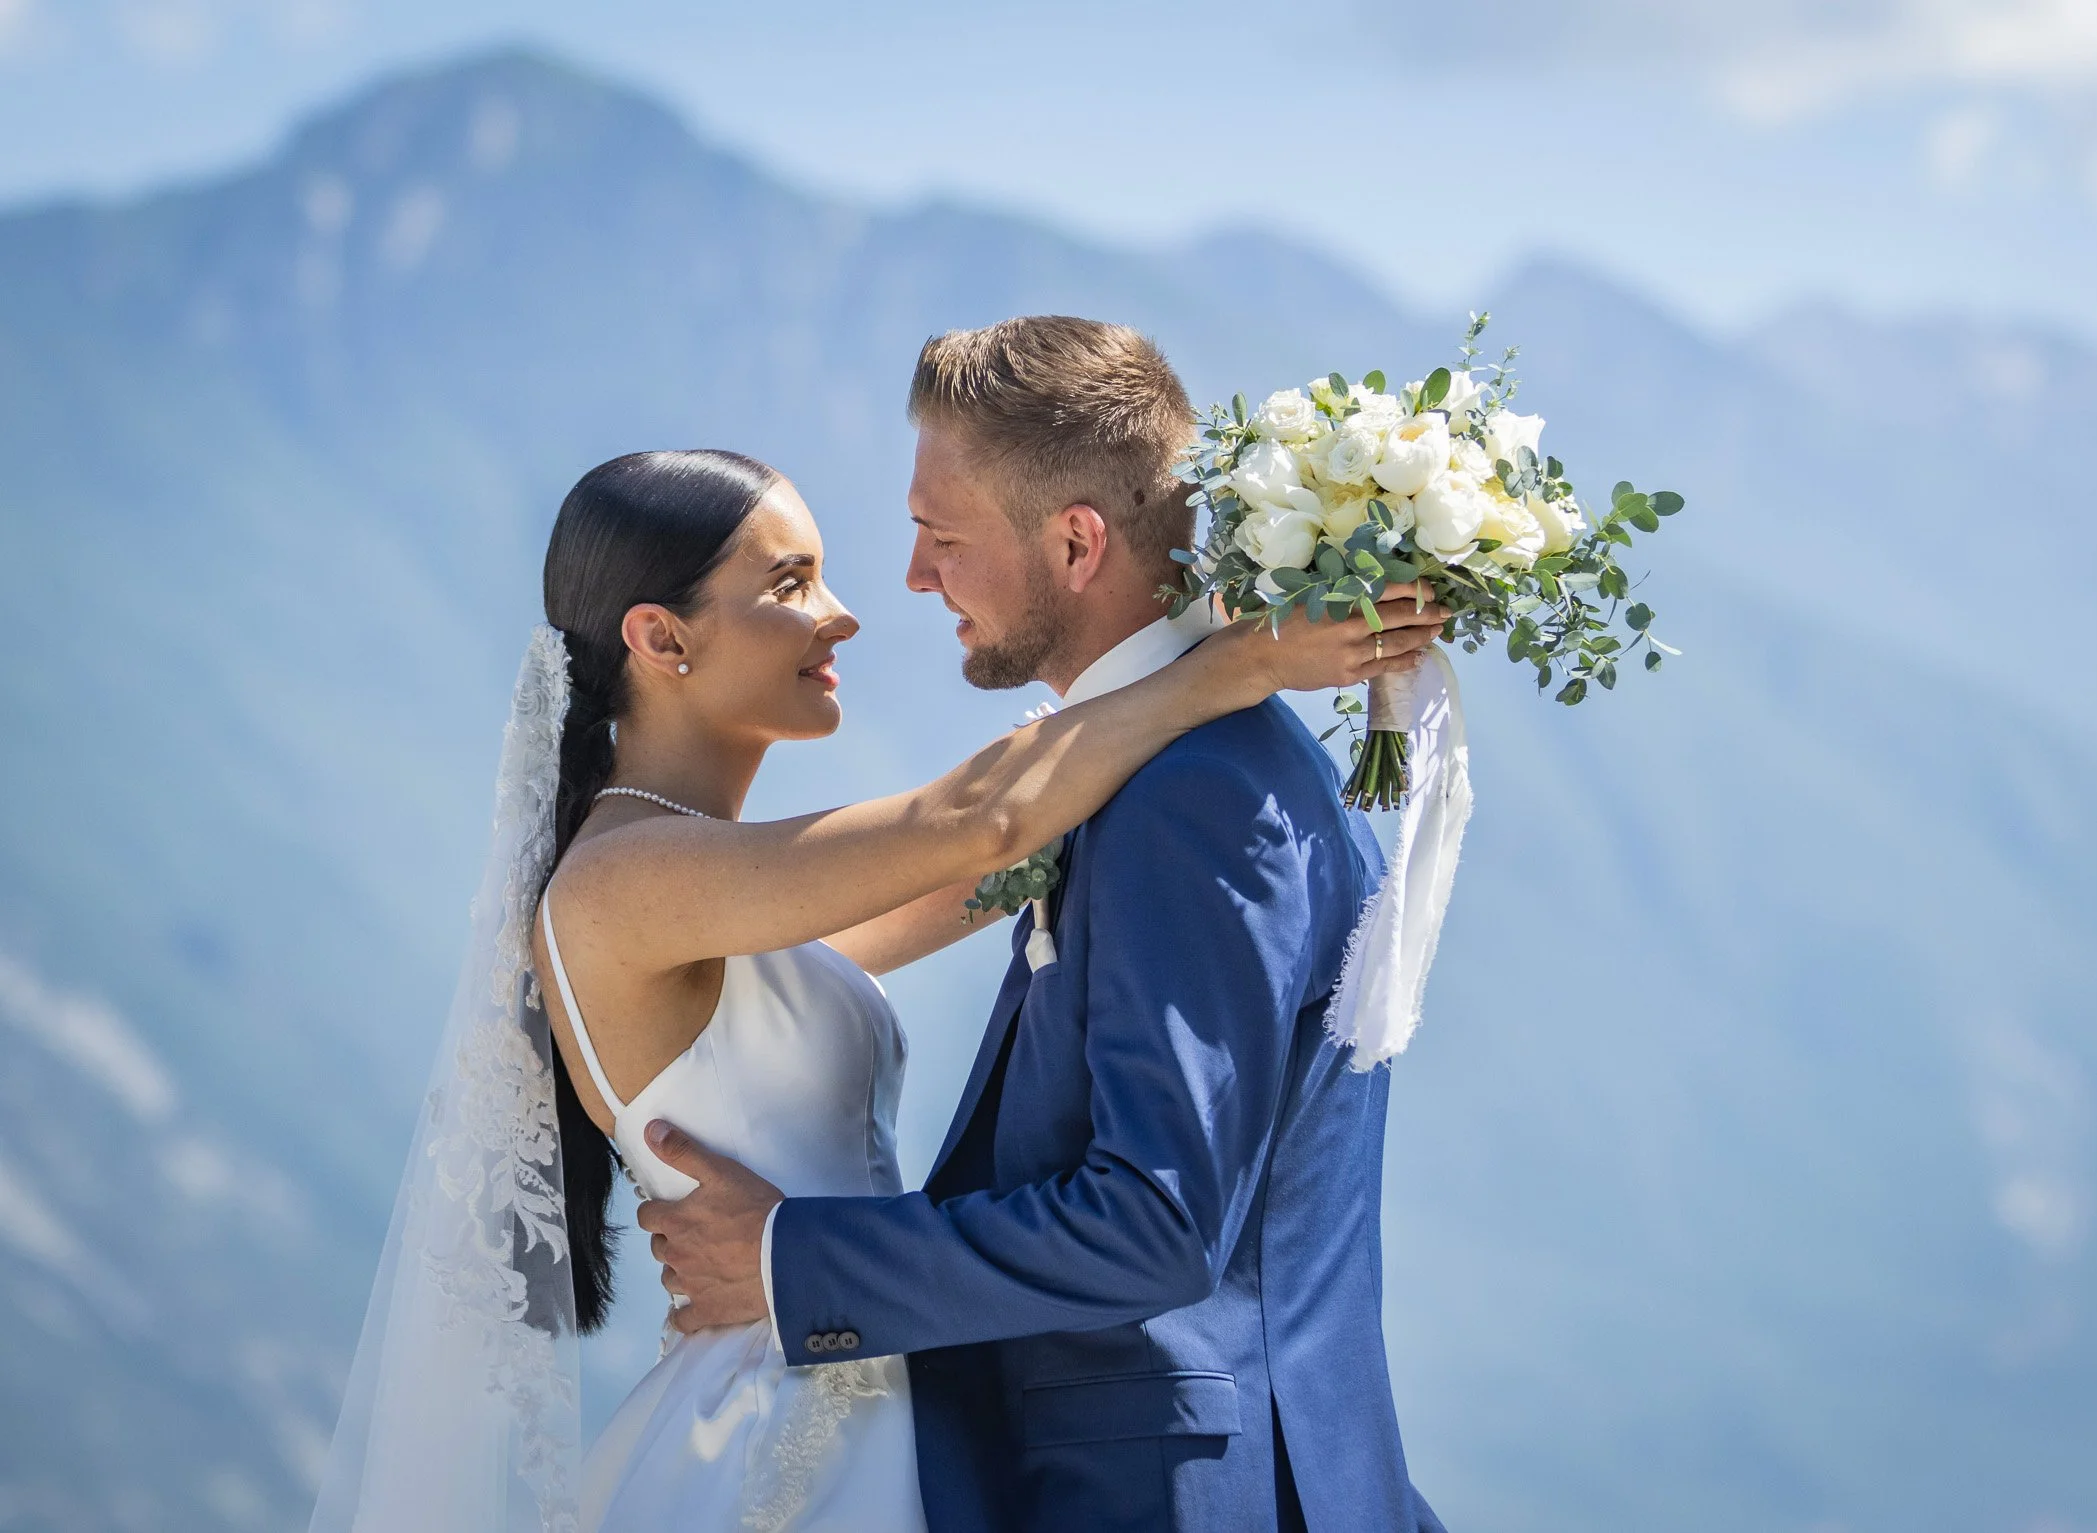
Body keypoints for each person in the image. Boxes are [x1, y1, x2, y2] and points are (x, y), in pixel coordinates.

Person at [308, 439, 1440, 1533]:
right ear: (660, 638)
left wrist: (1184, 631)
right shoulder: (624, 881)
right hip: (774, 1439)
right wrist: (1234, 664)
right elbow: (977, 825)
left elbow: (1002, 859)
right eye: (790, 583)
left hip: (873, 1389)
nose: (842, 610)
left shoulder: (724, 894)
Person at [642, 318, 1451, 1532]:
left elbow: (1155, 1223)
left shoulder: (1197, 799)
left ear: (1076, 543)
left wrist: (787, 1262)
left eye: (941, 535)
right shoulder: (1156, 767)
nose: (913, 577)